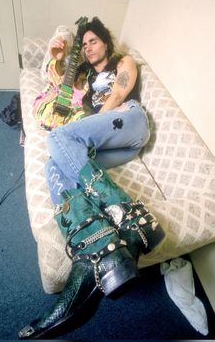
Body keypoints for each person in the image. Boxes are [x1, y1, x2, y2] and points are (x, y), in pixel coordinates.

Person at [18, 17, 165, 340]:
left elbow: (118, 94)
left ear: (106, 43)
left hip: (128, 121)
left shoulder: (122, 62)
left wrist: (84, 127)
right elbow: (58, 85)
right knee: (53, 166)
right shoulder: (84, 80)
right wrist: (57, 57)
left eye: (93, 41)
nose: (87, 47)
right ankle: (96, 250)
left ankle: (126, 211)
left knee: (58, 141)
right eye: (83, 44)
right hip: (111, 144)